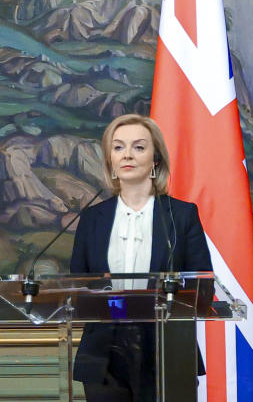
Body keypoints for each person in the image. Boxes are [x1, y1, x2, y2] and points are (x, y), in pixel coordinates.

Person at [70, 114, 212, 402]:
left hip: (167, 352)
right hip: (104, 357)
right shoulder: (92, 219)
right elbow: (77, 291)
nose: (127, 155)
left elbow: (203, 289)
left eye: (138, 147)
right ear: (110, 159)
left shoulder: (182, 216)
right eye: (118, 147)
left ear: (155, 158)